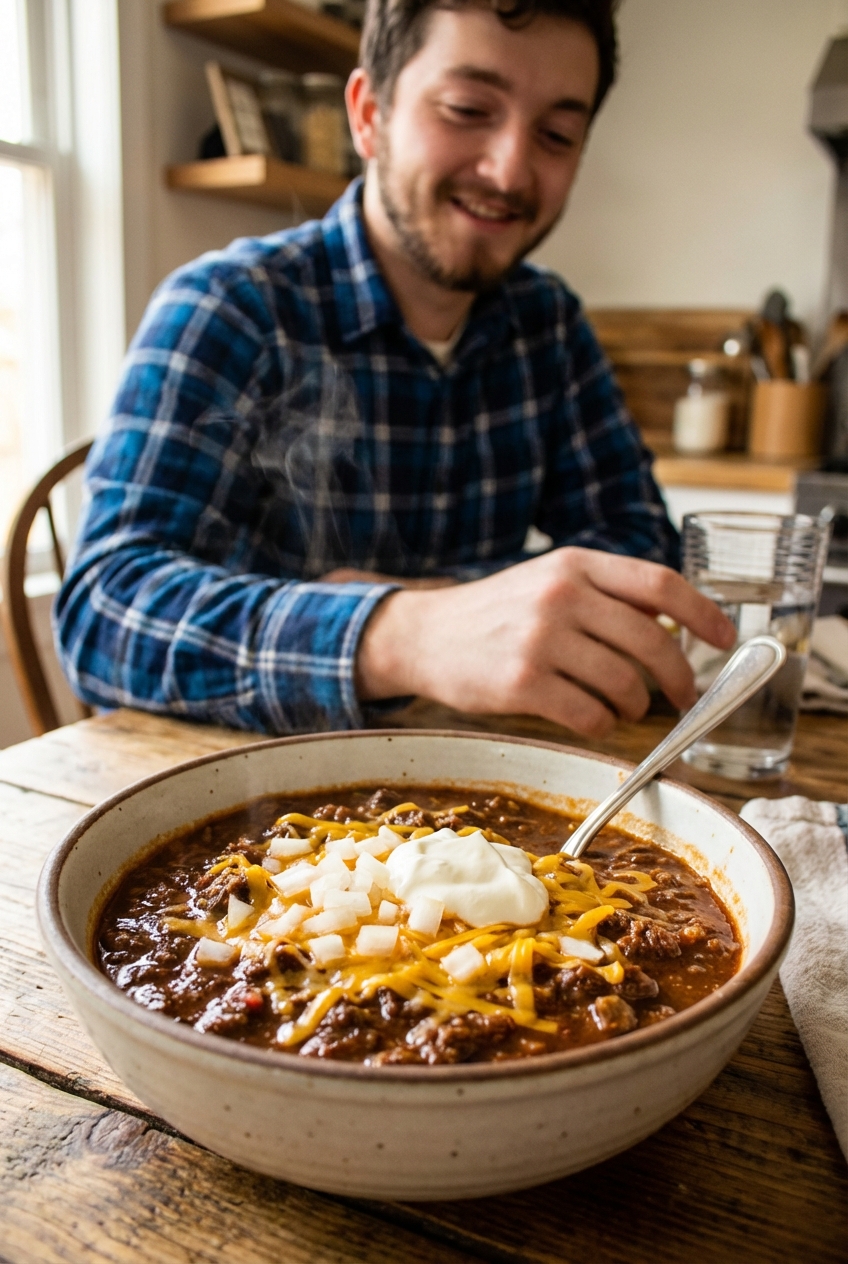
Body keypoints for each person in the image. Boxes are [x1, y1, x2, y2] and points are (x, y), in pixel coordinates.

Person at [55, 0, 734, 738]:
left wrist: (432, 603)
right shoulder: (233, 307)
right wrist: (405, 633)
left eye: (557, 134)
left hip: (496, 791)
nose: (509, 169)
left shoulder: (549, 325)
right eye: (467, 108)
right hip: (257, 799)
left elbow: (638, 556)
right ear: (369, 113)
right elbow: (105, 611)